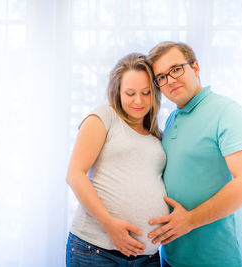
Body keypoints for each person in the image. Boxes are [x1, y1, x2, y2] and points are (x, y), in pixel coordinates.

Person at [146, 41, 242, 267]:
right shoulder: (172, 120)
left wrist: (190, 220)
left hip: (218, 260)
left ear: (196, 68)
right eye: (161, 77)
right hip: (171, 258)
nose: (170, 80)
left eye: (176, 69)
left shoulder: (227, 111)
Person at [65, 53, 170, 267]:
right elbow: (74, 175)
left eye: (146, 93)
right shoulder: (105, 117)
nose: (138, 100)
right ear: (118, 92)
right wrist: (110, 224)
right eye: (130, 93)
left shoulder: (156, 136)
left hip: (147, 257)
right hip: (97, 251)